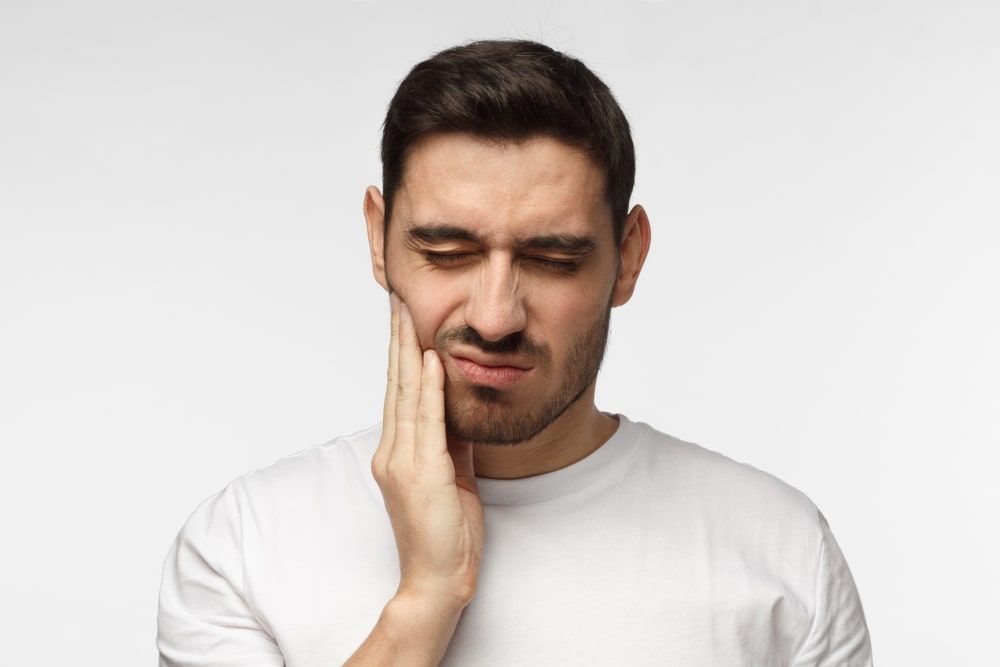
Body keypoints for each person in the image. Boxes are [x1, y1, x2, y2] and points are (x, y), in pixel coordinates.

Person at [157, 39, 872, 666]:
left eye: (554, 259)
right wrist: (427, 599)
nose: (496, 316)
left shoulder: (779, 549)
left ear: (627, 260)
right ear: (378, 240)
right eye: (447, 252)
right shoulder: (243, 547)